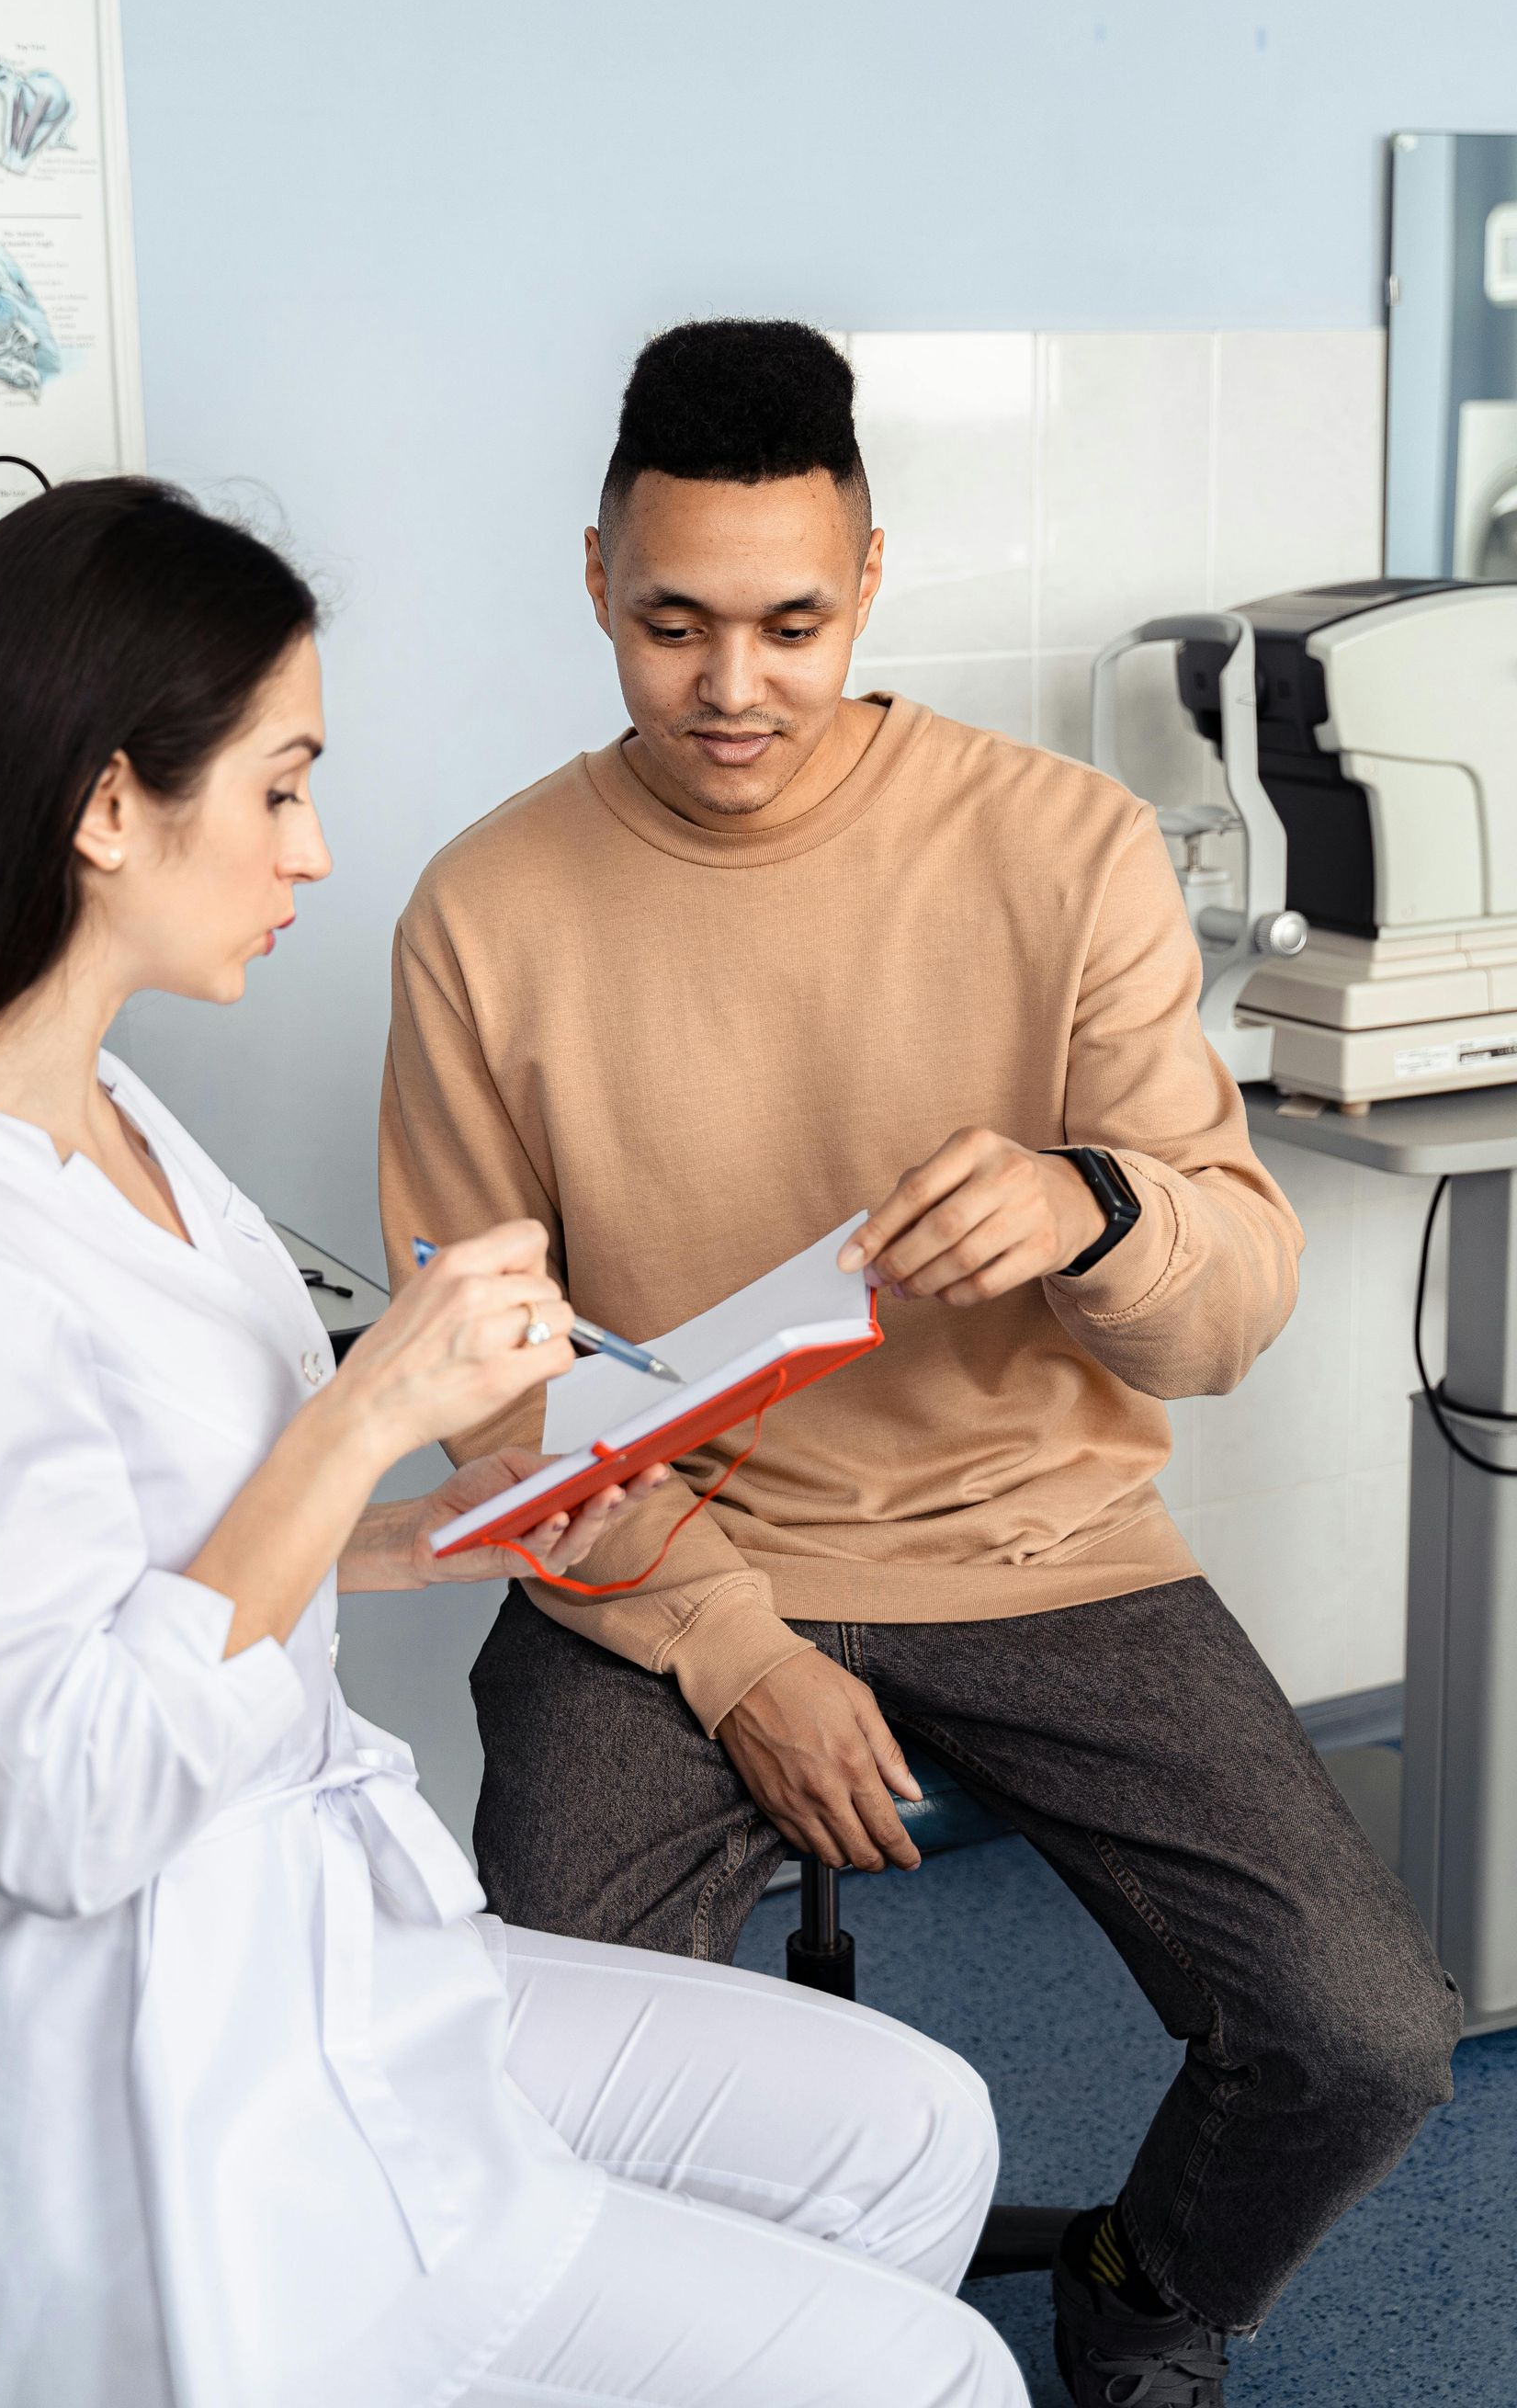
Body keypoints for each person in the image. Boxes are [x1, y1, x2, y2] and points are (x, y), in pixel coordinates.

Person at [0, 480, 1026, 2408]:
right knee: (943, 2379)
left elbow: (160, 1544)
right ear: (108, 807)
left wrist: (430, 1524)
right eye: (277, 790)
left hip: (338, 1936)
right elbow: (65, 1803)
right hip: (191, 2057)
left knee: (914, 2127)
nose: (316, 848)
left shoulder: (113, 1119)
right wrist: (363, 1416)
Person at [379, 321, 1463, 2407]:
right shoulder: (486, 912)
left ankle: (1144, 2292)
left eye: (791, 623)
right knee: (542, 2052)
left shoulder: (1061, 852)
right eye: (673, 621)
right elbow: (495, 1389)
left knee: (1364, 2034)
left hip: (1041, 1545)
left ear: (871, 580)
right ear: (592, 574)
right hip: (663, 1560)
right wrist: (730, 1647)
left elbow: (1233, 1298)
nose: (731, 688)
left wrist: (1099, 1214)